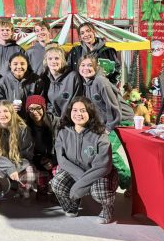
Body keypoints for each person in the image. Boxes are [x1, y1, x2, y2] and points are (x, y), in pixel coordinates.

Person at [50, 96, 118, 224]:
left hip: (98, 174)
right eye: (75, 110)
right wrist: (81, 182)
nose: (78, 114)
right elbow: (62, 160)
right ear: (70, 112)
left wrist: (80, 186)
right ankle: (72, 203)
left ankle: (107, 208)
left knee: (100, 192)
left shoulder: (100, 134)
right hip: (75, 172)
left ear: (90, 113)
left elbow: (103, 166)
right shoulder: (63, 133)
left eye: (83, 110)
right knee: (56, 183)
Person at [79, 55, 132, 191]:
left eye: (90, 65)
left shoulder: (100, 81)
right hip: (106, 122)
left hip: (121, 120)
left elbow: (114, 108)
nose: (86, 68)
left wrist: (108, 128)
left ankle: (129, 184)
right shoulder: (86, 84)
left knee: (108, 150)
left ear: (96, 67)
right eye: (83, 65)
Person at [0, 100, 36, 205]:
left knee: (30, 171)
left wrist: (9, 169)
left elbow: (27, 156)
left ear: (11, 112)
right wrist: (7, 168)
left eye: (5, 111)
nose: (2, 114)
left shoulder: (23, 129)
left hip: (18, 163)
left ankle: (23, 192)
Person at [24, 95, 60, 201]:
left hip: (55, 159)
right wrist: (39, 160)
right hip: (38, 160)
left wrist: (53, 161)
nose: (35, 112)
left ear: (44, 108)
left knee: (59, 172)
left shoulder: (56, 122)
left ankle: (58, 190)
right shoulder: (27, 127)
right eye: (31, 109)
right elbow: (28, 150)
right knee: (41, 197)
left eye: (38, 108)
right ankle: (42, 188)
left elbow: (62, 146)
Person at [0, 53, 43, 118]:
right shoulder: (3, 82)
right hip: (11, 120)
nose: (19, 67)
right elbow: (0, 104)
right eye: (15, 64)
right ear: (10, 65)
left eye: (22, 64)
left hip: (32, 119)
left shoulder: (36, 80)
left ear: (27, 65)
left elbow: (41, 101)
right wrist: (9, 108)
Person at [41, 47, 82, 117]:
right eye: (50, 59)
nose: (53, 61)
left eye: (57, 58)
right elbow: (45, 102)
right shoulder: (44, 77)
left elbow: (77, 101)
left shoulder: (73, 76)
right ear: (46, 61)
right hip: (51, 120)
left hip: (70, 119)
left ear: (62, 60)